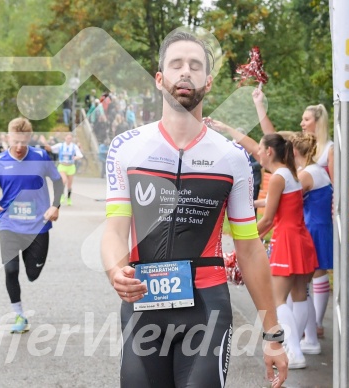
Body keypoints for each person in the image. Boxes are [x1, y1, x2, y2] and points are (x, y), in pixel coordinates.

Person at [100, 30, 288, 388]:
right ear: (160, 79)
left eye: (195, 65)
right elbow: (114, 230)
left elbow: (249, 249)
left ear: (208, 82)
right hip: (143, 302)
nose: (185, 72)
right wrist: (114, 270)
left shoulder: (231, 158)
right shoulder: (126, 148)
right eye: (176, 64)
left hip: (207, 305)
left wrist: (272, 335)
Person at [0, 117, 64, 334]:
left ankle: (32, 264)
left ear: (29, 139)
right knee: (10, 270)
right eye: (15, 141)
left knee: (32, 274)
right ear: (8, 138)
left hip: (38, 226)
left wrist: (55, 206)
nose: (19, 147)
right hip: (9, 223)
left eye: (23, 142)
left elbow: (57, 182)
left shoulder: (40, 157)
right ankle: (19, 314)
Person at [254, 133, 319, 369]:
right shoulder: (289, 173)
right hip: (300, 237)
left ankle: (295, 352)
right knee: (300, 294)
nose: (258, 153)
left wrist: (247, 238)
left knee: (277, 298)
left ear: (269, 151)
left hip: (287, 240)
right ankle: (297, 349)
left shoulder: (278, 177)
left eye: (260, 148)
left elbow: (268, 219)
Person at [290, 132, 333, 349]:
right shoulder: (316, 170)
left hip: (313, 228)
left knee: (300, 287)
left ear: (295, 151)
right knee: (304, 286)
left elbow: (286, 201)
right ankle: (309, 336)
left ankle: (303, 338)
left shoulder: (307, 174)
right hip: (319, 226)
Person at [252, 89, 333, 182]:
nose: (301, 123)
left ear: (319, 122)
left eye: (306, 120)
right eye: (302, 119)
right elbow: (272, 136)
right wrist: (259, 104)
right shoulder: (298, 141)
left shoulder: (330, 149)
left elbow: (336, 185)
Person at [49, 133, 83, 206]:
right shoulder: (60, 145)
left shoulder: (74, 147)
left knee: (69, 185)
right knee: (63, 181)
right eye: (68, 138)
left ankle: (69, 198)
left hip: (70, 166)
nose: (69, 140)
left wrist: (76, 157)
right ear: (65, 138)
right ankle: (61, 196)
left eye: (70, 138)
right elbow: (51, 148)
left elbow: (80, 155)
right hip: (62, 166)